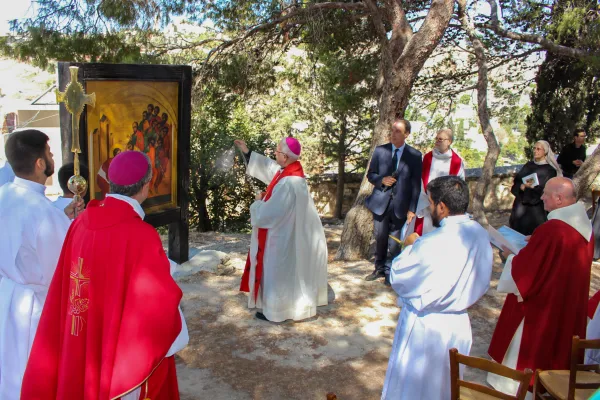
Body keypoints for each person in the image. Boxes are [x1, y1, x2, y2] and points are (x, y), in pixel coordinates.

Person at [21, 150, 188, 400]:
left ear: (110, 183)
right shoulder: (140, 234)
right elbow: (157, 303)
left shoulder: (82, 221)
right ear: (146, 186)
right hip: (114, 338)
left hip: (80, 326)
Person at [381, 175, 493, 400]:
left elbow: (400, 277)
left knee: (415, 388)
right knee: (446, 388)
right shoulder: (481, 234)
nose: (429, 207)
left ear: (442, 206)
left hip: (427, 326)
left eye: (431, 203)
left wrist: (410, 248)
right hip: (458, 323)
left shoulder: (430, 243)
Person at [487, 177, 593, 397]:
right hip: (564, 303)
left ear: (560, 199)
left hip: (539, 309)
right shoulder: (583, 227)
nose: (542, 196)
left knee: (527, 354)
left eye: (546, 193)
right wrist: (535, 243)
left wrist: (510, 257)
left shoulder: (553, 229)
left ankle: (516, 387)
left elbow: (525, 274)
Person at [0, 129, 82, 400]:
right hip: (34, 308)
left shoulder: (5, 195)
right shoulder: (43, 213)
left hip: (7, 298)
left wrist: (61, 214)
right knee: (32, 376)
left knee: (9, 368)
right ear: (39, 163)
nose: (51, 157)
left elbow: (21, 233)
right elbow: (57, 272)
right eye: (49, 152)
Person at [234, 137, 328, 322]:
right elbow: (270, 168)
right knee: (288, 270)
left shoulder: (287, 182)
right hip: (289, 232)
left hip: (280, 235)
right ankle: (287, 307)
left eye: (277, 152)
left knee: (278, 271)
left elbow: (269, 214)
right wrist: (247, 152)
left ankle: (276, 311)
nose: (274, 154)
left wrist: (257, 203)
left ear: (285, 156)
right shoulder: (289, 173)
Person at [364, 118, 422, 286]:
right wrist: (382, 180)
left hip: (400, 206)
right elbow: (371, 174)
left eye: (398, 131)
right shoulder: (380, 151)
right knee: (380, 237)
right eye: (392, 130)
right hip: (380, 202)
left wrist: (412, 209)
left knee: (394, 242)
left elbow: (416, 184)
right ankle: (379, 268)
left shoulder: (415, 155)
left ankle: (391, 271)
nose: (393, 133)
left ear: (406, 134)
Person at [412, 128, 464, 236]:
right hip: (427, 204)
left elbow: (460, 186)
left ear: (449, 141)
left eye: (440, 139)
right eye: (436, 138)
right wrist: (428, 198)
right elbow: (420, 180)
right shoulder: (427, 158)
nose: (437, 141)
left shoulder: (456, 162)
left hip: (445, 207)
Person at [508, 140, 562, 235]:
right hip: (519, 208)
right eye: (534, 148)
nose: (535, 151)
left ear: (545, 151)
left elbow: (544, 191)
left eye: (538, 149)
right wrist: (521, 186)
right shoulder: (528, 165)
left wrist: (526, 189)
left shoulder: (550, 170)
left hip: (535, 211)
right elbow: (517, 182)